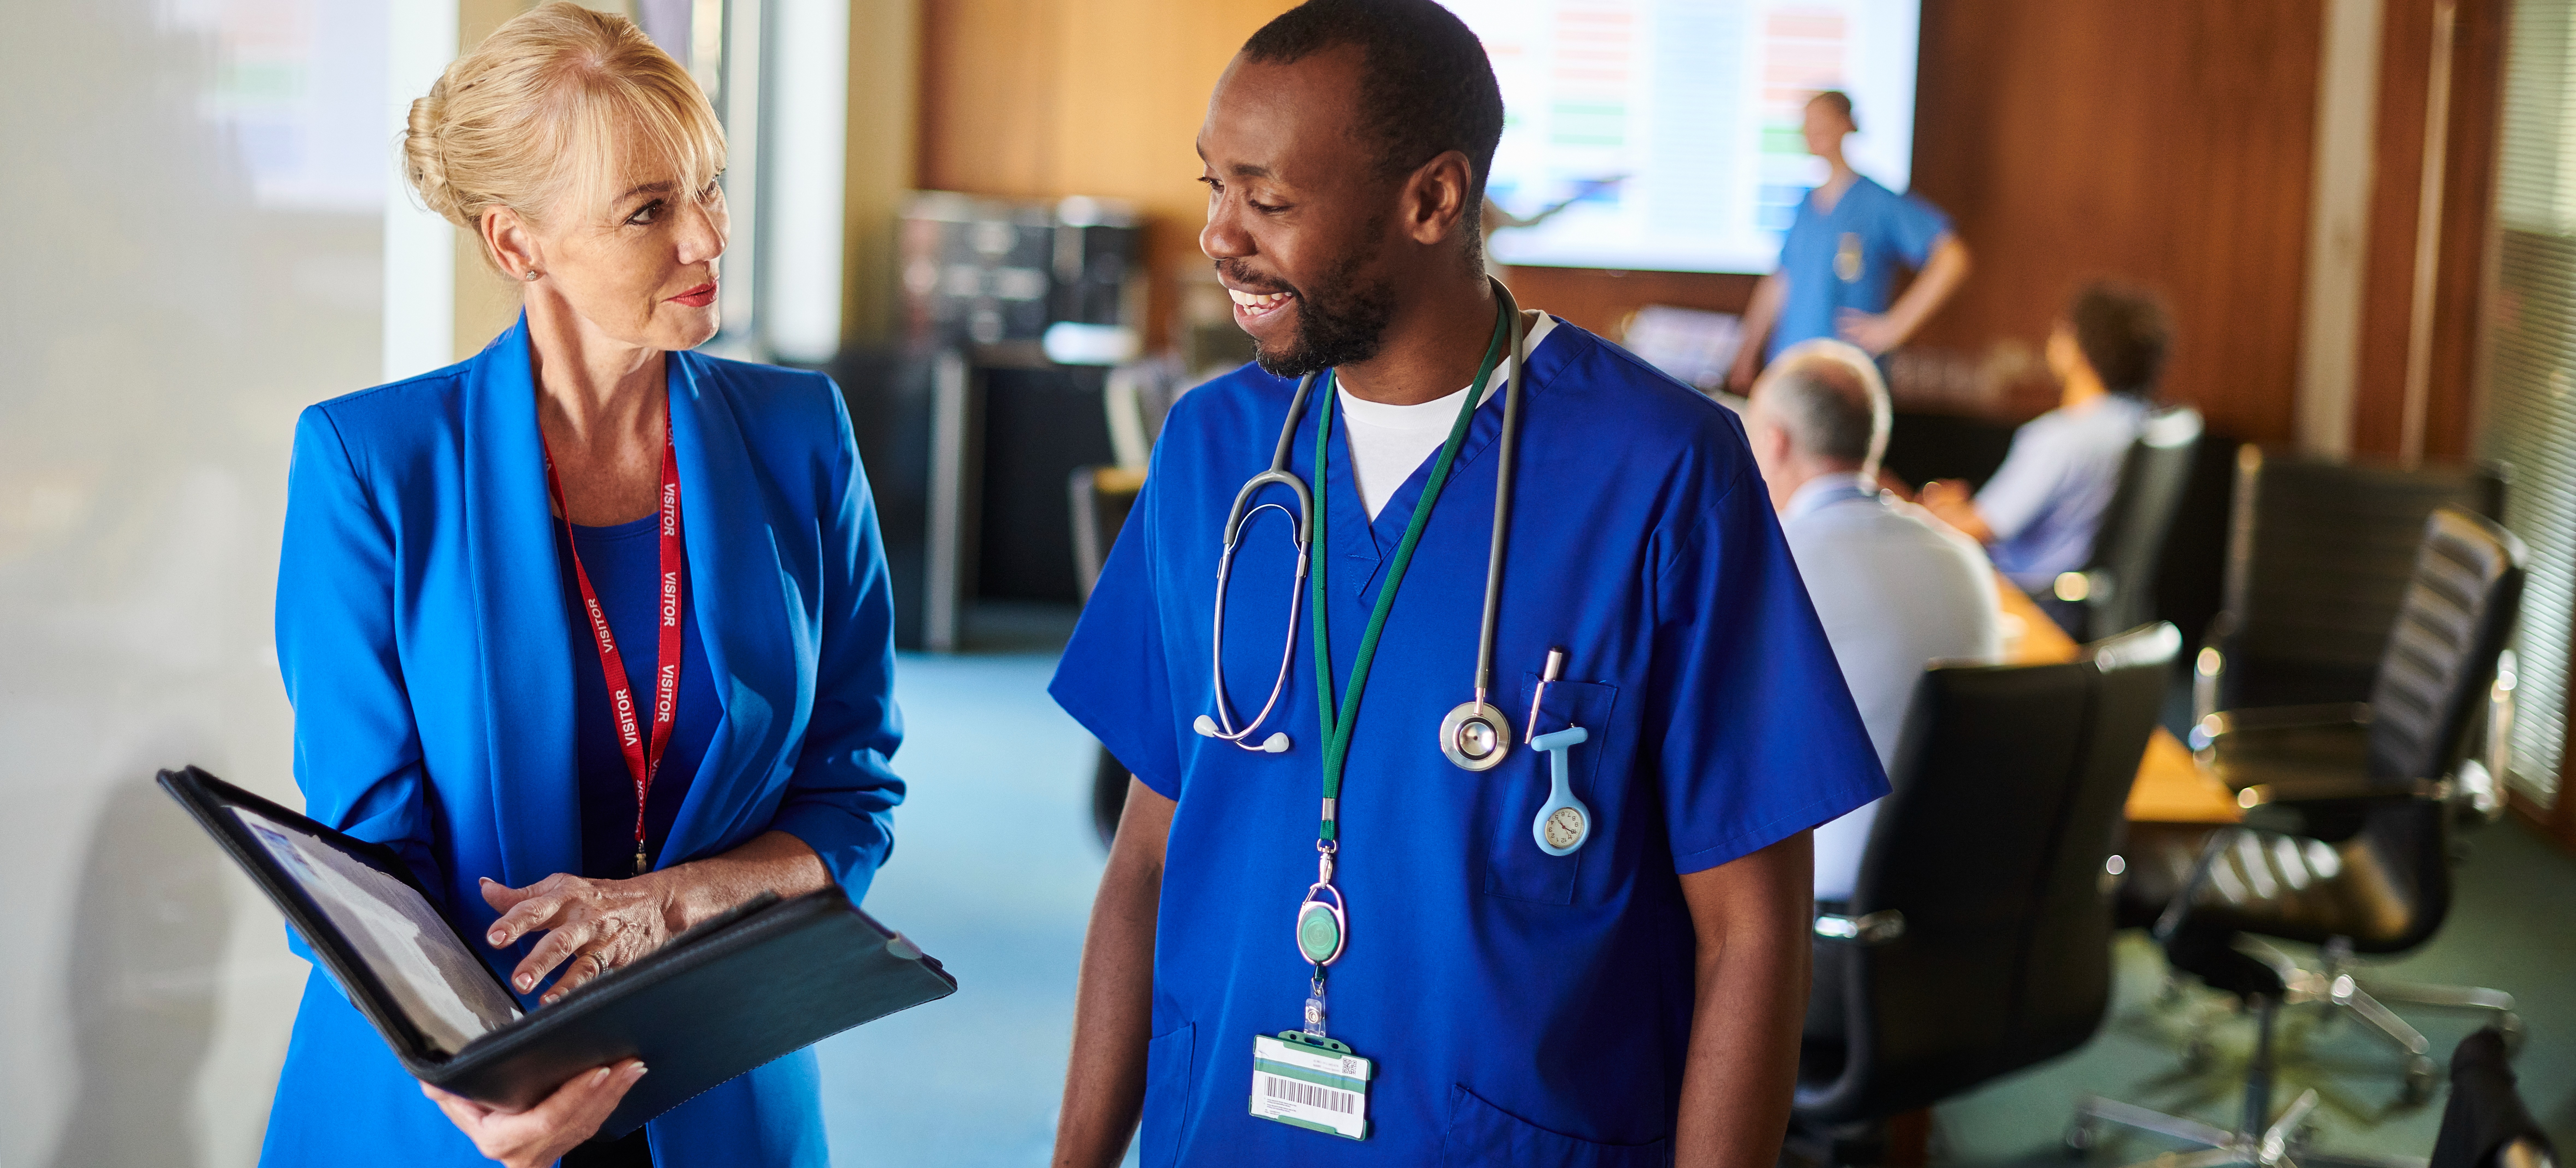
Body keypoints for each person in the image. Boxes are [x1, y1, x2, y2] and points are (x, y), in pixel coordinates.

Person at [1046, 3, 1886, 1165]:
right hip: (1225, 1127)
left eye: (1268, 200)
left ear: (1433, 200)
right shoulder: (1211, 450)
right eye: (1212, 188)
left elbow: (1748, 926)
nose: (1217, 237)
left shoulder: (1661, 471)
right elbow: (1146, 854)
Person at [266, 7, 904, 1167]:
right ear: (518, 244)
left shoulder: (801, 435)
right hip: (451, 1097)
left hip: (721, 1091)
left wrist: (675, 898)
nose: (709, 236)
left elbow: (851, 791)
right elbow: (368, 860)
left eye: (709, 186)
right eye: (648, 210)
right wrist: (472, 1092)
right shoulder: (372, 465)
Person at [1740, 340, 2002, 902]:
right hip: (1962, 879)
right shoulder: (1963, 555)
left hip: (1829, 884)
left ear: (1773, 442)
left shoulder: (1775, 564)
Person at [1917, 282, 2173, 597]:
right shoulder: (2143, 423)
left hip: (2030, 600)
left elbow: (1975, 531)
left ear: (2077, 348)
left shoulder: (2060, 439)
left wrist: (1921, 511)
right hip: (2086, 602)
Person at [1727, 90, 1971, 391]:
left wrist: (1893, 328)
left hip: (1847, 377)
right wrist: (1748, 352)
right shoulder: (1804, 207)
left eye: (1821, 120)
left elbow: (1952, 258)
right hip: (1790, 370)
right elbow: (1781, 282)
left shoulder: (1876, 203)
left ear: (1845, 124)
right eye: (1806, 123)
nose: (1811, 130)